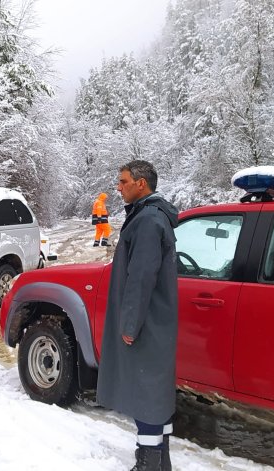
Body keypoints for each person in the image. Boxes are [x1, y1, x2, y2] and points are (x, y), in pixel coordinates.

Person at [96, 160, 179, 471]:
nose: (118, 188)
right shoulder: (153, 217)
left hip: (147, 323)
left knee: (146, 393)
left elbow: (141, 276)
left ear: (141, 184)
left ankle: (148, 465)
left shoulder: (147, 221)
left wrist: (129, 324)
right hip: (156, 319)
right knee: (155, 393)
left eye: (123, 181)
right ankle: (161, 462)